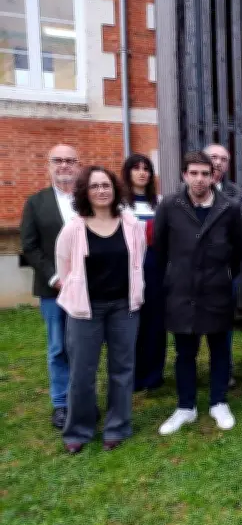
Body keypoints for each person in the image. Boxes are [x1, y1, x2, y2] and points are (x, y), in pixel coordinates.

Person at [55, 166, 146, 453]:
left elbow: (138, 260)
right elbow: (64, 268)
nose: (101, 191)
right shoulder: (73, 228)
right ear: (85, 192)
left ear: (115, 189)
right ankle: (78, 430)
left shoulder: (131, 224)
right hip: (86, 309)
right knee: (82, 372)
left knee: (122, 369)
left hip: (123, 307)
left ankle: (117, 427)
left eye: (106, 185)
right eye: (94, 186)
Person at [155, 151, 242, 435]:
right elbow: (160, 249)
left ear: (213, 176)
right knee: (185, 352)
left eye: (205, 173)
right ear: (184, 175)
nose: (199, 179)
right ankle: (186, 406)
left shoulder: (229, 207)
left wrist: (223, 276)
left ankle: (219, 402)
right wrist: (172, 278)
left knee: (220, 349)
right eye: (193, 173)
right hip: (181, 291)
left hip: (216, 289)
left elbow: (237, 251)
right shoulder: (170, 205)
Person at [20, 145, 80, 429]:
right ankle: (61, 403)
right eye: (58, 160)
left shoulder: (88, 199)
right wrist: (54, 277)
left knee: (83, 346)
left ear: (78, 166)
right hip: (53, 289)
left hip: (86, 288)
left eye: (70, 160)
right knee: (58, 347)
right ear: (49, 165)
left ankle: (82, 398)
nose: (64, 165)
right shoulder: (36, 203)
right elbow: (30, 247)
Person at [121, 154, 167, 391]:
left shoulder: (159, 203)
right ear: (128, 172)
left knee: (155, 323)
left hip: (155, 268)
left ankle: (153, 375)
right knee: (130, 324)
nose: (142, 173)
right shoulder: (119, 205)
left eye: (146, 169)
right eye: (136, 168)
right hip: (127, 268)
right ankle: (132, 375)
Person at [204, 143, 242, 388]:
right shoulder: (181, 193)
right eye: (213, 157)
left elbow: (241, 230)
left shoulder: (236, 193)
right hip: (191, 271)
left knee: (222, 323)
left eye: (223, 159)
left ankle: (223, 370)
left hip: (223, 269)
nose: (217, 162)